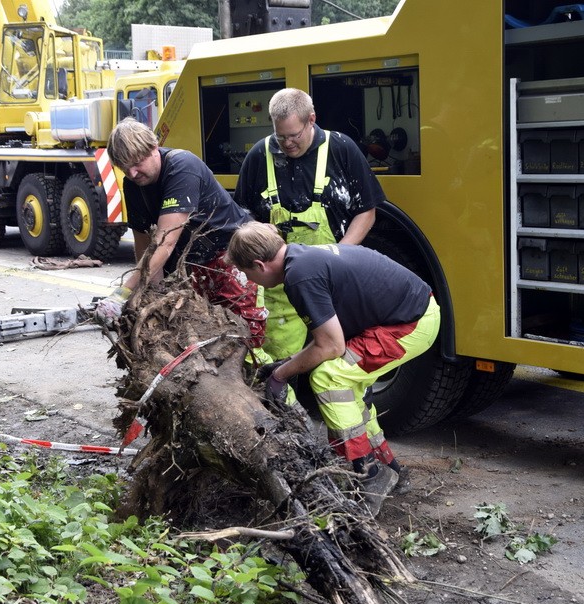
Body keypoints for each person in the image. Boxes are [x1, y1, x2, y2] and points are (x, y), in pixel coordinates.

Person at [226, 222, 440, 515]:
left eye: (247, 274)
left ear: (259, 265)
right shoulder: (301, 258)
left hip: (410, 323)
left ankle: (368, 478)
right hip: (411, 313)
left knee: (330, 379)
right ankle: (389, 468)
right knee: (348, 385)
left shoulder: (299, 277)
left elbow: (330, 346)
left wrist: (281, 375)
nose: (251, 281)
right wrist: (287, 364)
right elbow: (326, 340)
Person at [94, 118, 268, 357]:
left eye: (137, 163)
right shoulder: (133, 185)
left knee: (245, 337)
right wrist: (152, 294)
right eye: (125, 168)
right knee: (203, 339)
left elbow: (166, 240)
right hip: (194, 267)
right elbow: (144, 243)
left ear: (153, 148)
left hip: (230, 259)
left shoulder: (182, 166)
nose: (133, 173)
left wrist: (122, 294)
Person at [233, 88, 386, 361]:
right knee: (279, 366)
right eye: (281, 136)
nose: (288, 143)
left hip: (332, 282)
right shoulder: (259, 155)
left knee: (339, 359)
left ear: (311, 119)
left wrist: (339, 256)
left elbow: (367, 210)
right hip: (279, 290)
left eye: (294, 135)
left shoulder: (341, 149)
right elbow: (243, 219)